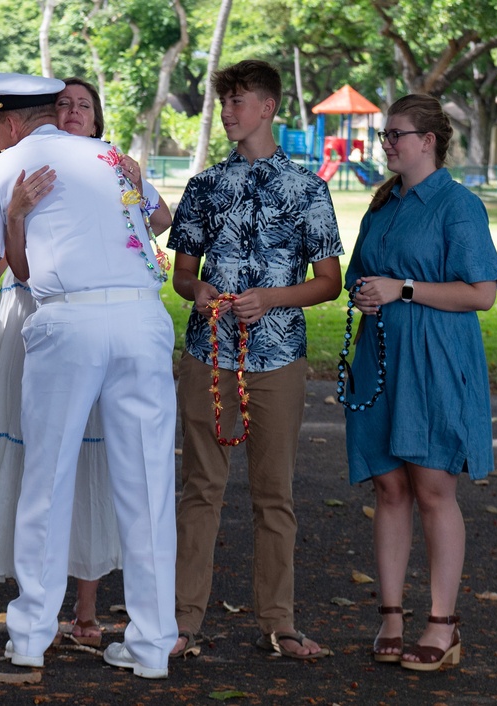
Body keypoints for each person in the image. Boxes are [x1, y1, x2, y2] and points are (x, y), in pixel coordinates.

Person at [0, 72, 178, 680]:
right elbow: (153, 221)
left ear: (6, 121)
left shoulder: (6, 168)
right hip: (142, 318)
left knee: (47, 478)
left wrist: (14, 218)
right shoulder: (109, 156)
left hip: (69, 321)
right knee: (149, 485)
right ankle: (153, 644)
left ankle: (29, 635)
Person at [167, 60, 342, 660]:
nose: (228, 113)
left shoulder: (307, 189)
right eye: (224, 103)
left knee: (274, 496)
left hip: (278, 359)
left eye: (238, 102)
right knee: (199, 491)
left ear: (267, 107)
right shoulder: (204, 186)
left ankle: (280, 624)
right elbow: (183, 274)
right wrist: (200, 293)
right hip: (206, 354)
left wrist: (271, 298)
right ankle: (183, 623)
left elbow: (329, 282)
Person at [344, 94, 497, 671]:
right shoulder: (382, 206)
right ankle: (390, 616)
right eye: (384, 135)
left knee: (433, 492)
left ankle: (442, 624)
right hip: (380, 357)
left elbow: (481, 293)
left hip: (435, 359)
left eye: (396, 135)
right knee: (389, 489)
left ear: (428, 140)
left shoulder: (458, 206)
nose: (387, 144)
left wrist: (403, 288)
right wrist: (366, 293)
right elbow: (364, 273)